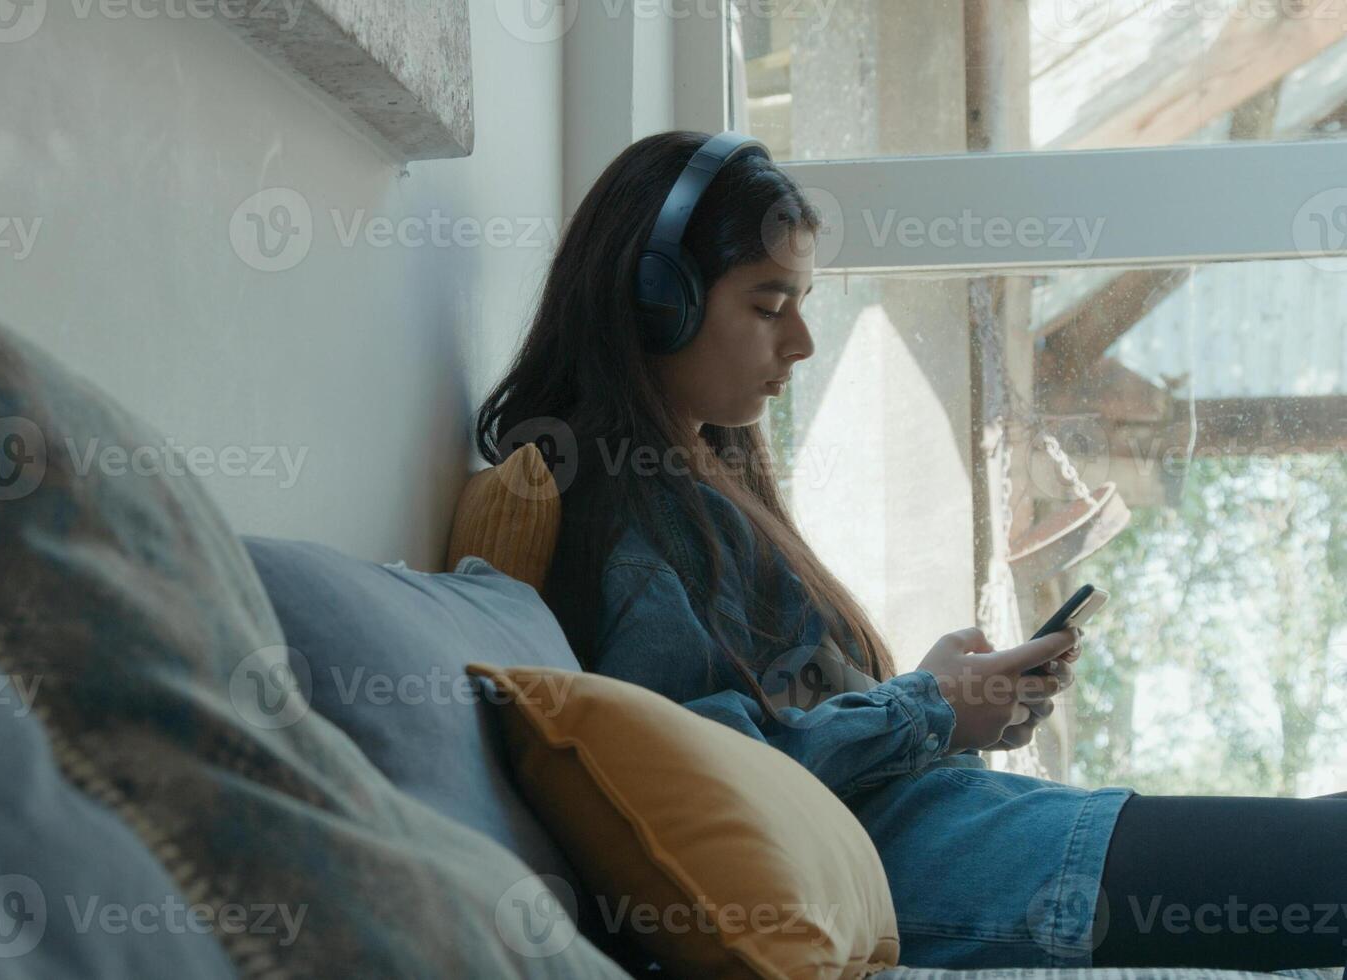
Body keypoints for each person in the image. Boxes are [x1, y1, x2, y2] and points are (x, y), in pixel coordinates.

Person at [475, 130, 1347, 970]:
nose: (801, 342)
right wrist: (930, 708)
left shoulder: (698, 485)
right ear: (659, 300)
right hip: (930, 866)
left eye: (804, 305)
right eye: (769, 305)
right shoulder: (626, 525)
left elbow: (779, 727)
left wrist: (933, 702)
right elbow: (717, 783)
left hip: (955, 831)